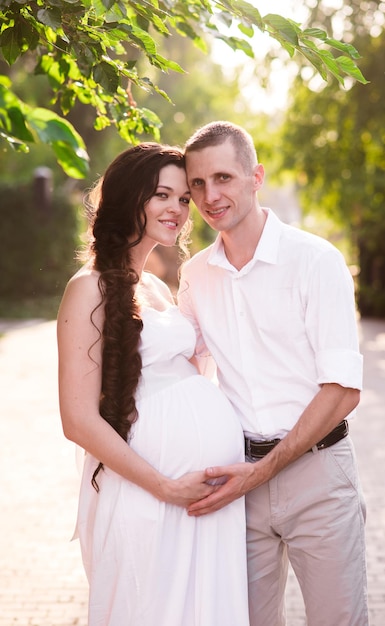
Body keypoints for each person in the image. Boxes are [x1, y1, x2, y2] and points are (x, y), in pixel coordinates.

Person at [178, 121, 369, 626]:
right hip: (236, 481)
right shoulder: (195, 275)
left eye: (223, 178)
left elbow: (343, 391)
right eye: (197, 184)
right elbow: (179, 368)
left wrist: (262, 472)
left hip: (318, 475)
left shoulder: (315, 260)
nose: (209, 195)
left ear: (255, 176)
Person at [57, 143, 250, 626]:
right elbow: (77, 419)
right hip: (151, 495)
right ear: (129, 199)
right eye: (162, 194)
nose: (178, 210)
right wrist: (166, 486)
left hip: (201, 502)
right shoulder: (88, 287)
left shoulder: (158, 288)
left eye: (184, 199)